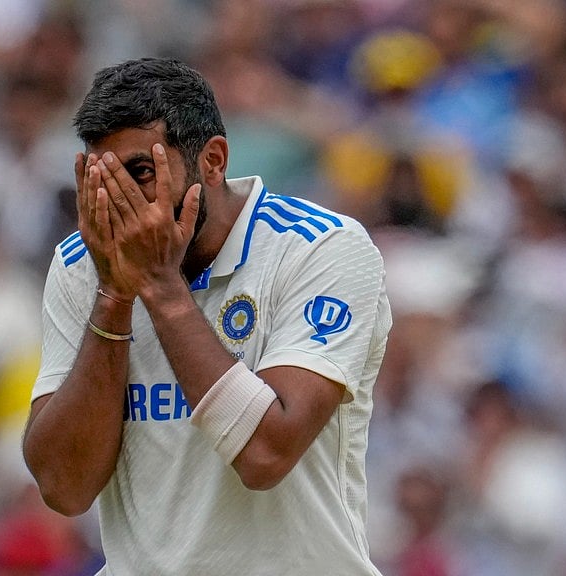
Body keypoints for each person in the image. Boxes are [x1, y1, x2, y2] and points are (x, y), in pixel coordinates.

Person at [23, 57, 393, 575]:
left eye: (141, 174)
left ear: (213, 161)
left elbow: (267, 454)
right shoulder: (81, 265)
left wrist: (159, 287)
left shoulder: (322, 249)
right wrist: (113, 294)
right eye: (106, 179)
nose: (123, 204)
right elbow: (64, 488)